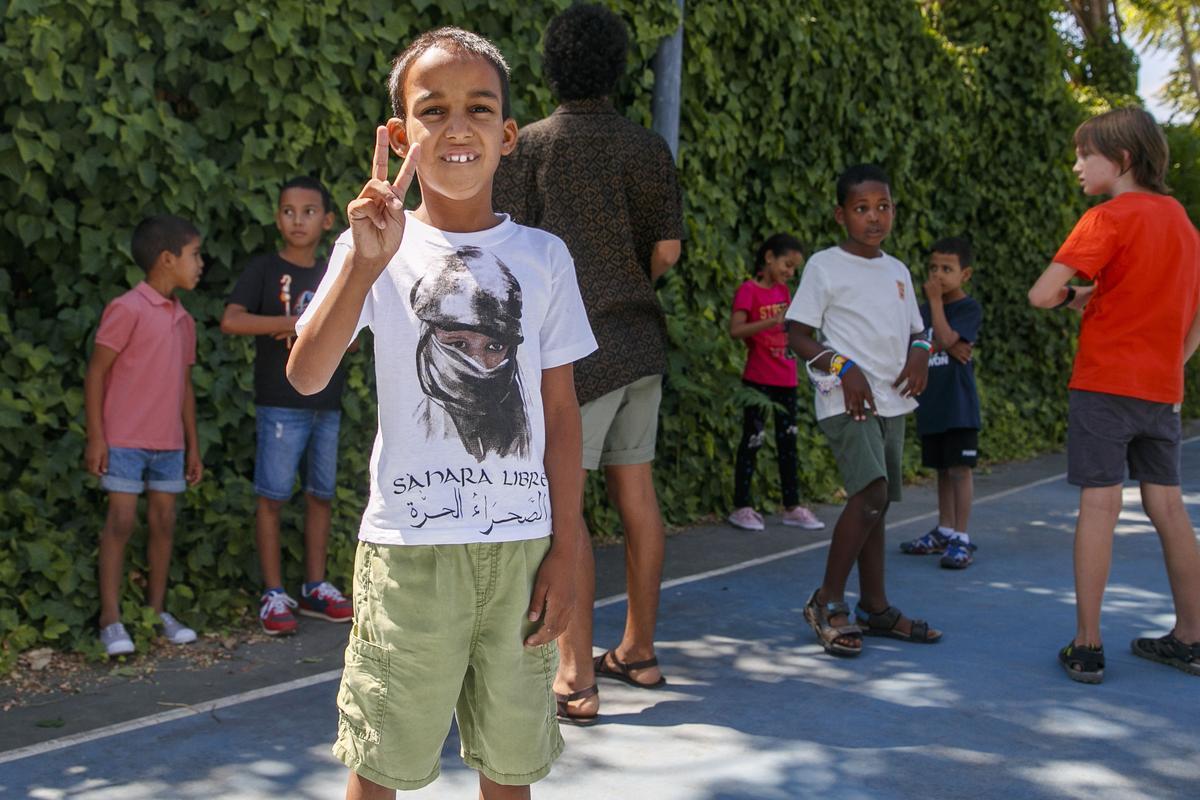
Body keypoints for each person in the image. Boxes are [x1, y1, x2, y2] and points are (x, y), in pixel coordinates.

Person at [287, 27, 596, 799]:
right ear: (400, 135)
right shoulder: (373, 245)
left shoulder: (546, 257)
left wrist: (568, 547)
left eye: (479, 108)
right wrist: (363, 263)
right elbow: (306, 371)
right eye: (433, 110)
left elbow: (560, 412)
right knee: (383, 766)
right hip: (410, 557)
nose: (458, 128)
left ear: (508, 134)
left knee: (511, 765)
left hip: (524, 555)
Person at [492, 2, 683, 723]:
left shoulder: (532, 147)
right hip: (641, 344)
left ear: (551, 65)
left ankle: (576, 675)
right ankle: (639, 651)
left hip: (570, 353)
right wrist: (627, 279)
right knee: (637, 498)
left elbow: (509, 242)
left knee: (564, 507)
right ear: (617, 65)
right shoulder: (646, 148)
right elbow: (666, 252)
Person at [1028, 106, 1200, 683]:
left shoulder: (1106, 218)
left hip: (1103, 386)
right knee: (1169, 509)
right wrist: (1171, 361)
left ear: (1121, 160)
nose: (1076, 164)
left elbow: (1041, 293)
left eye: (1085, 154)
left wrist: (1066, 296)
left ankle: (1087, 645)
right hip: (1160, 389)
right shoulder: (1180, 221)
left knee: (1100, 506)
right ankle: (1192, 638)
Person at [785, 164, 942, 657]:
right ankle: (827, 600)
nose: (874, 217)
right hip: (846, 397)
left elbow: (921, 329)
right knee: (871, 492)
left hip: (891, 399)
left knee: (877, 504)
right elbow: (796, 334)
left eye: (883, 207)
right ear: (841, 215)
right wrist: (841, 365)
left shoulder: (898, 270)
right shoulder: (824, 266)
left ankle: (876, 607)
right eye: (862, 209)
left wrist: (921, 352)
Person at [222, 177, 354, 636]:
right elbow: (231, 320)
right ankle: (273, 592)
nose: (298, 220)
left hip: (327, 403)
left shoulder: (333, 272)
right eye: (289, 211)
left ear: (329, 220)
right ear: (277, 217)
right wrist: (293, 322)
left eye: (309, 211)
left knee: (321, 495)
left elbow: (351, 332)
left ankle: (314, 586)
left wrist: (317, 331)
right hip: (279, 404)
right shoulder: (263, 269)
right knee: (273, 496)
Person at [84, 214, 205, 656]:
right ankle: (110, 621)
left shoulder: (183, 319)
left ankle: (155, 614)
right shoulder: (126, 309)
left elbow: (184, 386)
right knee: (119, 523)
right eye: (194, 256)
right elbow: (96, 373)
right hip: (123, 441)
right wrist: (97, 438)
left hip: (169, 444)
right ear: (167, 259)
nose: (200, 264)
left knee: (163, 525)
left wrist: (193, 445)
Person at [727, 233, 824, 532]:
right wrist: (772, 321)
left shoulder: (785, 291)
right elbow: (736, 330)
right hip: (758, 379)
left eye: (794, 268)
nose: (790, 272)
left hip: (787, 380)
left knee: (788, 443)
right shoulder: (748, 291)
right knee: (752, 441)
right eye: (787, 264)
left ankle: (792, 507)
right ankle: (741, 507)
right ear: (769, 257)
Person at [899, 237, 982, 569]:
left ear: (965, 274)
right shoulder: (919, 312)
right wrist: (946, 344)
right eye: (933, 268)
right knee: (942, 471)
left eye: (947, 269)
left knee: (960, 470)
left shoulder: (967, 308)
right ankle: (944, 530)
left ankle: (961, 538)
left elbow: (948, 339)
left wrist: (935, 305)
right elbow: (930, 346)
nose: (938, 275)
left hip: (959, 405)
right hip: (932, 403)